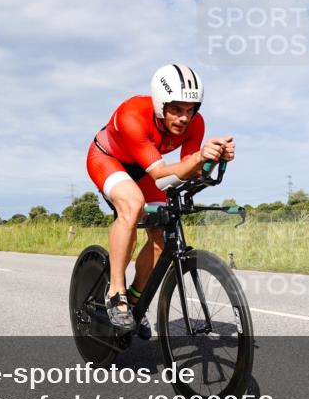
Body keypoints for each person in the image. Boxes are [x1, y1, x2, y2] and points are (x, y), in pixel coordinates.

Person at [86, 64, 235, 336]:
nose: (183, 118)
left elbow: (189, 173)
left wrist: (212, 160)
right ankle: (116, 292)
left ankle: (134, 299)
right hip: (108, 159)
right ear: (159, 105)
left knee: (162, 234)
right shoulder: (132, 114)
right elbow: (160, 174)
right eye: (176, 109)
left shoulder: (195, 125)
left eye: (190, 110)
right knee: (132, 206)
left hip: (143, 170)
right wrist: (200, 157)